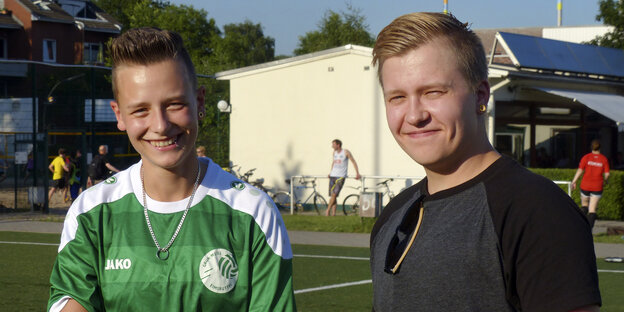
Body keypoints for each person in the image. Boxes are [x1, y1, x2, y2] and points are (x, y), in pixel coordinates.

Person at [48, 27, 296, 311]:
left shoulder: (252, 212)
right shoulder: (91, 211)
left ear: (199, 102)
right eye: (141, 110)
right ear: (120, 115)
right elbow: (73, 300)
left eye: (175, 104)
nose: (161, 125)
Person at [369, 12, 600, 312]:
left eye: (433, 92)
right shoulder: (393, 216)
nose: (414, 115)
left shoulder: (537, 210)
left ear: (480, 94)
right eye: (397, 97)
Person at [572, 139, 610, 228]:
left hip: (585, 185)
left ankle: (579, 226)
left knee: (584, 206)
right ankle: (589, 230)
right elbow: (607, 174)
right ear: (600, 148)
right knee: (592, 210)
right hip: (597, 186)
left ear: (591, 147)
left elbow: (580, 170)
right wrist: (606, 181)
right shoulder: (603, 159)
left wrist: (574, 181)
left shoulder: (586, 157)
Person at [326, 139, 360, 216]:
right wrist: (330, 172)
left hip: (341, 176)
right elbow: (333, 163)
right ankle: (333, 213)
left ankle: (327, 210)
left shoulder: (345, 152)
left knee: (334, 194)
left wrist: (357, 173)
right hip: (333, 175)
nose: (332, 146)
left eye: (333, 144)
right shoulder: (334, 153)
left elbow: (353, 161)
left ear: (338, 145)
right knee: (333, 195)